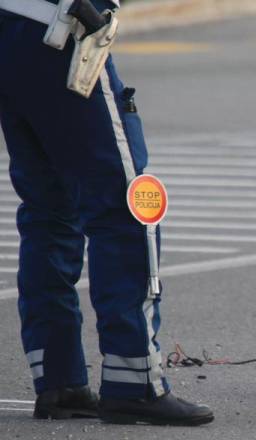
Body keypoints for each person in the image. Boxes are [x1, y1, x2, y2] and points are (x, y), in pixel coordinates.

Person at [0, 0, 213, 426]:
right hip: (63, 29)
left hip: (12, 29)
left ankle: (58, 380)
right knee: (127, 209)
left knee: (49, 210)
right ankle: (135, 383)